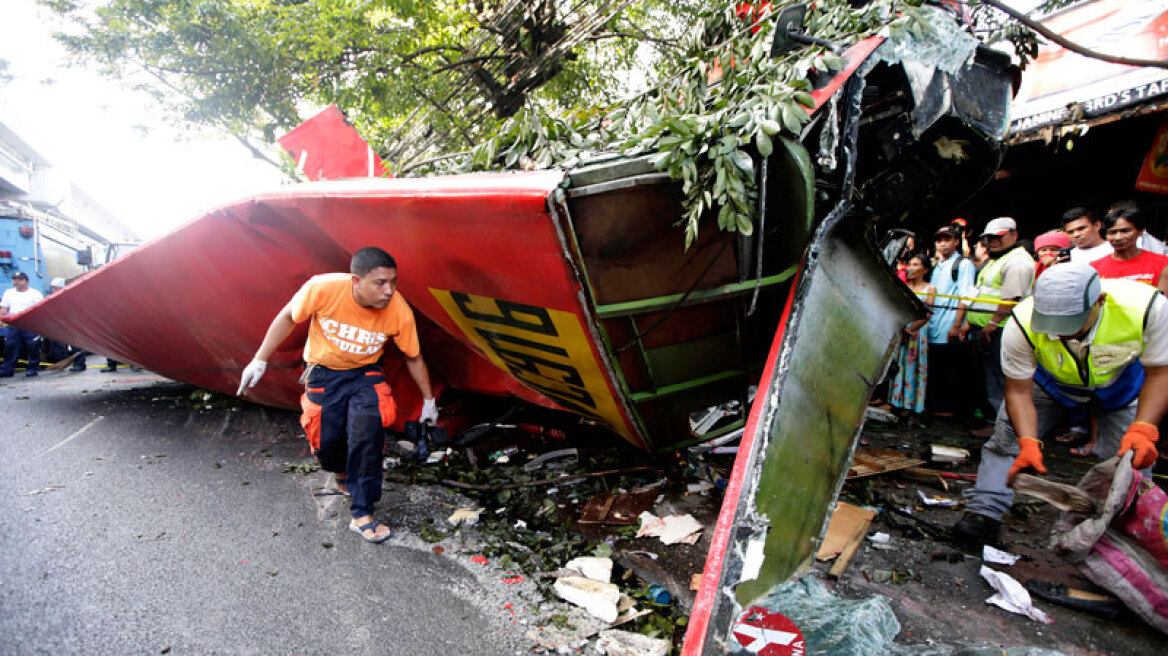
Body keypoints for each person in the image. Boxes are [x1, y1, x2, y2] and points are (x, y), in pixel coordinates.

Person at [951, 263, 1168, 543]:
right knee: (1007, 442)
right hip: (1049, 382)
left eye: (1070, 324)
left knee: (1133, 460)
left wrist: (1144, 426)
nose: (1059, 333)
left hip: (1120, 382)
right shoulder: (1022, 321)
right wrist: (1028, 441)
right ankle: (984, 512)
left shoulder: (1148, 307)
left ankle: (1125, 528)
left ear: (1099, 302)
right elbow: (1017, 392)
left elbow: (1161, 372)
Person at [237, 247, 438, 543]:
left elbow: (413, 357)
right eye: (380, 283)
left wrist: (429, 401)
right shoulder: (323, 288)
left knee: (367, 433)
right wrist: (260, 359)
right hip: (324, 373)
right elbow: (288, 317)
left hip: (365, 375)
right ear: (356, 281)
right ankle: (340, 472)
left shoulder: (398, 310)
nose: (389, 291)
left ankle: (363, 512)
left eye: (393, 282)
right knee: (327, 442)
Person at [961, 217, 1036, 419]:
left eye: (998, 237)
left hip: (1000, 330)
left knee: (997, 380)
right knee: (985, 378)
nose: (993, 242)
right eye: (989, 238)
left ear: (1014, 234)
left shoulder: (1018, 261)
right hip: (984, 329)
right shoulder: (997, 260)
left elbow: (1011, 298)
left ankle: (1000, 423)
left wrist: (992, 324)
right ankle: (991, 419)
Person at [927, 226, 976, 417]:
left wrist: (957, 326)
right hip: (935, 325)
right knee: (938, 367)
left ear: (956, 241)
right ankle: (939, 406)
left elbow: (966, 296)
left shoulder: (963, 265)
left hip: (950, 325)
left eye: (947, 239)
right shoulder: (938, 265)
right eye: (939, 240)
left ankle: (952, 409)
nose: (943, 244)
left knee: (952, 369)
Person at [1091, 201, 1168, 296]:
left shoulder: (1162, 264)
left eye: (1125, 231)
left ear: (1140, 231)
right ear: (1106, 235)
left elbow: (1162, 304)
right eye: (1112, 232)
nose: (1118, 237)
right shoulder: (1094, 269)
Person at [890, 253, 935, 413]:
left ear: (925, 269)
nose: (911, 268)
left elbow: (928, 315)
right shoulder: (905, 287)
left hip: (917, 332)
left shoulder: (930, 289)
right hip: (903, 329)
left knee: (915, 367)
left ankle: (912, 405)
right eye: (911, 264)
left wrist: (911, 329)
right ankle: (896, 401)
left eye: (916, 265)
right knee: (899, 365)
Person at [0, 271, 44, 378]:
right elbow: (4, 308)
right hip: (14, 323)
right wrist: (1, 320)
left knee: (32, 346)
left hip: (30, 323)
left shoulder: (35, 293)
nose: (17, 282)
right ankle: (7, 369)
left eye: (20, 280)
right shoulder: (9, 293)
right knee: (10, 345)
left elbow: (41, 309)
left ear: (26, 281)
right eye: (14, 280)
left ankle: (32, 368)